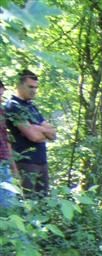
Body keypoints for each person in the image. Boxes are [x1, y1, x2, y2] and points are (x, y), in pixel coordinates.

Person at [4, 70, 56, 198]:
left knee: (43, 205)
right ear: (19, 85)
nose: (34, 90)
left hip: (42, 162)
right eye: (30, 87)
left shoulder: (32, 107)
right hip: (26, 164)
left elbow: (53, 134)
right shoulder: (13, 106)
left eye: (36, 87)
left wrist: (37, 128)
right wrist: (42, 129)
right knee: (28, 205)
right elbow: (33, 136)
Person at [0, 79, 19, 208]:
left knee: (9, 206)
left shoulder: (1, 113)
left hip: (3, 163)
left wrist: (14, 167)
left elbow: (6, 140)